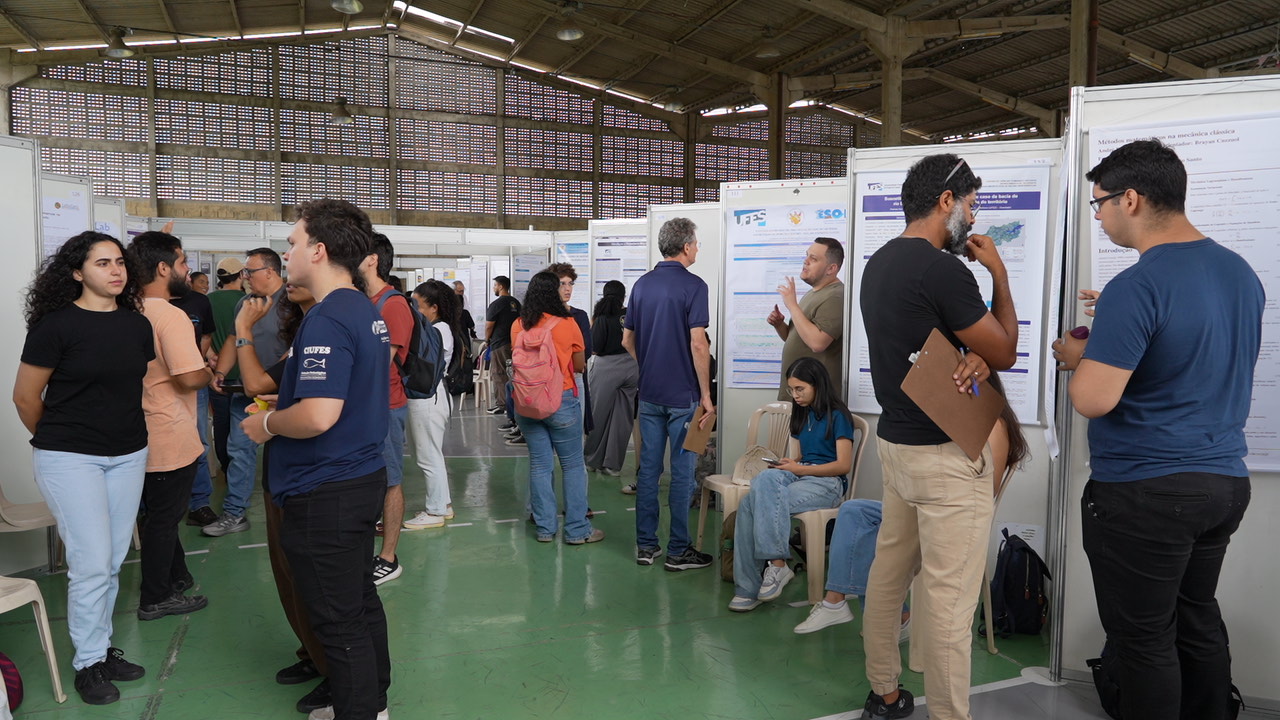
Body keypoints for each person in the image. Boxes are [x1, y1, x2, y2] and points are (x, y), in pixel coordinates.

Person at [1052, 139, 1262, 720]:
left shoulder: (1136, 285)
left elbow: (1093, 400)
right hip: (1223, 481)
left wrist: (1075, 360)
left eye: (1099, 204)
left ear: (1133, 198)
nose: (1098, 216)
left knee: (1144, 640)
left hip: (1148, 490)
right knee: (1197, 617)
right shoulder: (1239, 272)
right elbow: (1191, 357)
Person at [858, 153, 1019, 720]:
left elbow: (930, 340)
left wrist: (969, 352)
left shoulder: (876, 264)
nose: (973, 221)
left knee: (888, 576)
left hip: (897, 446)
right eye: (971, 205)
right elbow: (1004, 348)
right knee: (950, 606)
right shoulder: (943, 270)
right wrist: (997, 273)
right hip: (948, 457)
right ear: (946, 200)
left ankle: (885, 693)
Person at [240, 199, 391, 720]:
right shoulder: (363, 311)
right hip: (357, 476)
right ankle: (373, 703)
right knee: (358, 603)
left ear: (319, 251)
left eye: (293, 242)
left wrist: (266, 424)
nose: (288, 251)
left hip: (327, 487)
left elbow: (320, 415)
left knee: (338, 618)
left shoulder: (330, 317)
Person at [12, 231, 152, 705]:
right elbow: (26, 398)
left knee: (110, 562)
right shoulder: (55, 327)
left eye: (120, 262)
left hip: (129, 453)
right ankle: (88, 663)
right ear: (77, 273)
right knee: (91, 564)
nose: (115, 271)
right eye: (101, 263)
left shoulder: (136, 325)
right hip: (70, 457)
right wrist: (60, 441)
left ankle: (101, 648)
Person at [794, 374, 1028, 636]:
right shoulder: (959, 419)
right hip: (919, 502)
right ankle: (837, 600)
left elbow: (986, 491)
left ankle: (892, 615)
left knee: (874, 538)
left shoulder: (994, 425)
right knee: (853, 511)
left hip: (950, 514)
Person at [232, 283, 333, 715]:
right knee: (289, 574)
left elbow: (322, 412)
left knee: (321, 585)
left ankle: (336, 673)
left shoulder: (339, 324)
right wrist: (243, 328)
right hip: (286, 472)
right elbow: (257, 381)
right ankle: (314, 654)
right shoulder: (309, 333)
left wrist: (272, 421)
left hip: (318, 475)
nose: (287, 271)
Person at [128, 231, 212, 623]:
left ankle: (177, 577)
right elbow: (187, 377)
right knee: (164, 519)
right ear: (163, 268)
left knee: (159, 513)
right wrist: (207, 369)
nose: (187, 270)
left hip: (135, 430)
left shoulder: (125, 309)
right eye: (181, 262)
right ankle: (156, 597)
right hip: (168, 431)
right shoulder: (169, 315)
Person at [623, 217, 715, 571]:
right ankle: (679, 550)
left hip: (649, 394)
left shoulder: (642, 285)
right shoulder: (695, 286)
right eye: (697, 243)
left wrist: (647, 365)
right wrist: (706, 395)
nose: (697, 249)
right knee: (682, 472)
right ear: (687, 245)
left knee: (648, 470)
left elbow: (627, 340)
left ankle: (646, 546)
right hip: (682, 397)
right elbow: (698, 343)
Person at [727, 358, 853, 612]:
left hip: (827, 483)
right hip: (802, 475)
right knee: (765, 479)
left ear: (817, 385)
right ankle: (772, 569)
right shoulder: (802, 413)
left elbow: (843, 465)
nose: (794, 395)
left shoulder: (838, 415)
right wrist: (790, 463)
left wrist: (800, 468)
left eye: (800, 389)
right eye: (791, 390)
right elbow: (803, 456)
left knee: (751, 503)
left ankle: (758, 580)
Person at [511, 271, 602, 545]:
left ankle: (545, 528)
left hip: (526, 402)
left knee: (540, 464)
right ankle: (577, 530)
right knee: (573, 465)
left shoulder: (518, 325)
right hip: (560, 399)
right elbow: (578, 366)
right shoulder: (568, 324)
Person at [208, 248, 288, 537]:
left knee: (290, 452)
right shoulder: (245, 302)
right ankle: (234, 512)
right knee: (239, 450)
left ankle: (292, 510)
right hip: (246, 392)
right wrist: (221, 372)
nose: (245, 277)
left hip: (284, 394)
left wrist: (271, 381)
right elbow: (232, 339)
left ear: (269, 271)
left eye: (249, 272)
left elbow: (295, 350)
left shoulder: (292, 302)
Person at [362, 234, 413, 585]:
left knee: (390, 481)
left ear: (372, 260)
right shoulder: (365, 301)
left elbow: (381, 364)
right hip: (364, 409)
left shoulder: (392, 305)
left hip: (387, 407)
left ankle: (389, 556)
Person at [402, 280, 457, 531]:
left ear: (433, 308)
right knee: (427, 453)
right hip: (428, 397)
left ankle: (435, 510)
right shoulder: (435, 327)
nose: (414, 309)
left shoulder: (439, 329)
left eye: (418, 304)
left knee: (428, 456)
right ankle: (442, 504)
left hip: (428, 398)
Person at [766, 237, 846, 400]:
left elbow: (817, 343)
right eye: (807, 255)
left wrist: (792, 305)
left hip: (816, 400)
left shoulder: (836, 296)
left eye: (813, 258)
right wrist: (779, 325)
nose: (806, 261)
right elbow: (796, 338)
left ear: (831, 268)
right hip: (797, 395)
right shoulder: (813, 293)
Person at [170, 272, 217, 528]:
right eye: (182, 263)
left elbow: (207, 335)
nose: (187, 271)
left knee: (198, 442)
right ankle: (147, 510)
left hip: (194, 384)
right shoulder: (148, 302)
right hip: (158, 385)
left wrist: (194, 364)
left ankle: (199, 504)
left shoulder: (199, 302)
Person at [584, 280, 637, 479]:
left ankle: (592, 460)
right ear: (624, 296)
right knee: (622, 419)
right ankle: (613, 465)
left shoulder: (602, 317)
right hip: (633, 367)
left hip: (607, 367)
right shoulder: (631, 314)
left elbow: (594, 347)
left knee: (597, 414)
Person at [205, 257, 245, 491]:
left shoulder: (208, 300)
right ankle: (239, 468)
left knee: (221, 421)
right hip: (243, 372)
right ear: (240, 275)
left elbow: (204, 335)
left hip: (216, 372)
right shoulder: (247, 301)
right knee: (241, 421)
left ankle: (225, 464)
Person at [547, 262, 592, 433]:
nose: (568, 289)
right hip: (547, 379)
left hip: (573, 377)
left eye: (570, 283)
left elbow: (585, 351)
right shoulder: (541, 316)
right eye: (562, 284)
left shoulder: (579, 316)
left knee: (575, 432)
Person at [484, 275, 520, 416]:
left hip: (499, 343)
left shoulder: (497, 304)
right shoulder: (516, 303)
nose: (494, 288)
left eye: (495, 285)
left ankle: (503, 405)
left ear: (500, 286)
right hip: (515, 343)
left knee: (499, 373)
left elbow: (489, 325)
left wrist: (487, 340)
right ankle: (512, 404)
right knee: (513, 374)